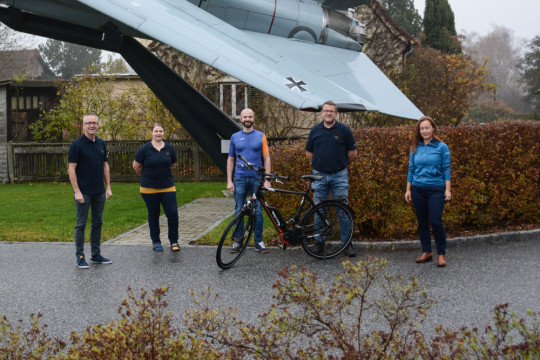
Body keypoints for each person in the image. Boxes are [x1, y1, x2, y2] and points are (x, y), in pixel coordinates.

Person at [305, 100, 357, 257]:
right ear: (321, 113)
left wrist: (339, 165)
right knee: (319, 210)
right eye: (326, 110)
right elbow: (309, 154)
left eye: (331, 111)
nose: (328, 113)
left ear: (336, 113)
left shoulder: (344, 130)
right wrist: (320, 165)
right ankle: (319, 243)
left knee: (343, 211)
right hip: (319, 176)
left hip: (339, 176)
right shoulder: (315, 130)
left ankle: (347, 243)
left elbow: (353, 153)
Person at [405, 116, 452, 267]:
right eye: (422, 128)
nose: (424, 131)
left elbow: (446, 169)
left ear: (433, 129)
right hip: (418, 189)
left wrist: (448, 189)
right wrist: (408, 190)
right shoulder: (415, 147)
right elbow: (411, 169)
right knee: (422, 222)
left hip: (436, 189)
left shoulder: (441, 147)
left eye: (427, 128)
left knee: (436, 221)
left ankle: (441, 254)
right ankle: (426, 251)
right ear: (419, 131)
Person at [68, 113, 113, 269]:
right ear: (83, 126)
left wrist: (108, 187)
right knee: (81, 224)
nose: (92, 125)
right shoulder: (77, 145)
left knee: (97, 223)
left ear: (98, 125)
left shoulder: (101, 144)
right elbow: (71, 169)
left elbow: (105, 166)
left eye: (94, 123)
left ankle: (96, 254)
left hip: (99, 191)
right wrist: (77, 191)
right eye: (89, 123)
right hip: (84, 192)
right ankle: (80, 256)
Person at [227, 108, 272, 253]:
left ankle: (259, 241)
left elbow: (266, 158)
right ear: (241, 119)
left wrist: (267, 179)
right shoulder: (234, 137)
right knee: (239, 210)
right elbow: (231, 158)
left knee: (258, 211)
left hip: (257, 179)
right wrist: (229, 180)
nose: (247, 119)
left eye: (250, 116)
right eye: (245, 116)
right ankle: (238, 241)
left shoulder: (261, 136)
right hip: (239, 178)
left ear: (253, 119)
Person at [133, 123, 180, 252]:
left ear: (163, 133)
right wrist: (147, 175)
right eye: (156, 131)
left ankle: (174, 241)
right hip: (149, 188)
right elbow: (136, 166)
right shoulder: (144, 149)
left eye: (160, 131)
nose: (158, 133)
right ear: (152, 133)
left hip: (167, 186)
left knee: (172, 213)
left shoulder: (169, 148)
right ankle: (156, 241)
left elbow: (173, 164)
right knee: (154, 214)